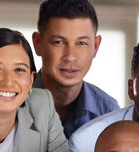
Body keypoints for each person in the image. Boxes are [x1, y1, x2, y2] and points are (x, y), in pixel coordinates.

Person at [32, 0, 119, 139]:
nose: (70, 56)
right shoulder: (13, 103)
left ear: (95, 47)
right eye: (58, 42)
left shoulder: (108, 113)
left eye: (81, 43)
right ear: (38, 43)